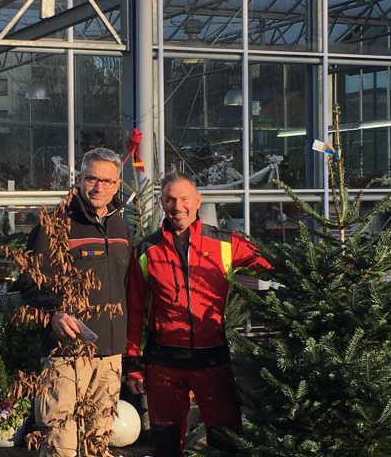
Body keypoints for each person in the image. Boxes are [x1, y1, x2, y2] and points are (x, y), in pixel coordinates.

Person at [125, 171, 270, 457]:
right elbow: (134, 310)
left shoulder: (225, 244)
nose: (177, 206)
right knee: (166, 444)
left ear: (198, 200)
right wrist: (132, 363)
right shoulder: (146, 250)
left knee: (226, 439)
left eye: (184, 199)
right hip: (164, 364)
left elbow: (269, 264)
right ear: (162, 202)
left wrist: (320, 271)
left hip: (213, 361)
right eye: (169, 199)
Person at [21, 147, 130, 457]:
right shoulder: (55, 224)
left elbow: (125, 288)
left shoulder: (121, 227)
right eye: (92, 178)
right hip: (66, 354)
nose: (99, 187)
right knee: (61, 442)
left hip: (109, 355)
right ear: (80, 179)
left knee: (99, 440)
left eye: (107, 181)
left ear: (117, 185)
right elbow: (29, 284)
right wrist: (53, 313)